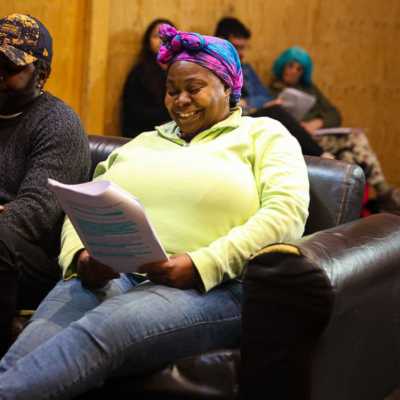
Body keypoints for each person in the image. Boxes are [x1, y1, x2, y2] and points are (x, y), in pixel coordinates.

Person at [0, 24, 310, 398]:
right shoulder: (144, 142)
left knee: (102, 329)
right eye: (172, 90)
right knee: (29, 345)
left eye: (193, 89)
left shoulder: (265, 135)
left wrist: (200, 264)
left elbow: (286, 213)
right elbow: (84, 203)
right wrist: (81, 256)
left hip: (210, 286)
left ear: (228, 87)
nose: (181, 100)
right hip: (112, 272)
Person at [0, 14, 91, 356]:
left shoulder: (58, 123)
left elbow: (35, 215)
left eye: (9, 68)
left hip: (33, 254)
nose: (0, 75)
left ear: (41, 72)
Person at [269, 46, 400, 214]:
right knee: (355, 139)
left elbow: (334, 113)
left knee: (349, 156)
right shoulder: (272, 91)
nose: (293, 71)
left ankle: (358, 208)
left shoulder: (311, 90)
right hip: (303, 140)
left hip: (319, 134)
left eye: (299, 69)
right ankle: (382, 192)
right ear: (282, 66)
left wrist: (318, 122)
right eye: (290, 66)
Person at [214, 16, 325, 157]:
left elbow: (265, 96)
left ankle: (315, 158)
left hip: (251, 114)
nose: (241, 54)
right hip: (235, 119)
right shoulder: (212, 70)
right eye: (237, 47)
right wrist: (246, 103)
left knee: (276, 114)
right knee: (276, 113)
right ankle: (322, 156)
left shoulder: (246, 69)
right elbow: (224, 103)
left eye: (244, 48)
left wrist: (248, 102)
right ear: (220, 43)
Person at [121, 18, 175, 138]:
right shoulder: (139, 72)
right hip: (146, 134)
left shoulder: (182, 69)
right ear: (148, 41)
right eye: (156, 36)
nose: (162, 40)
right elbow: (133, 111)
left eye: (167, 36)